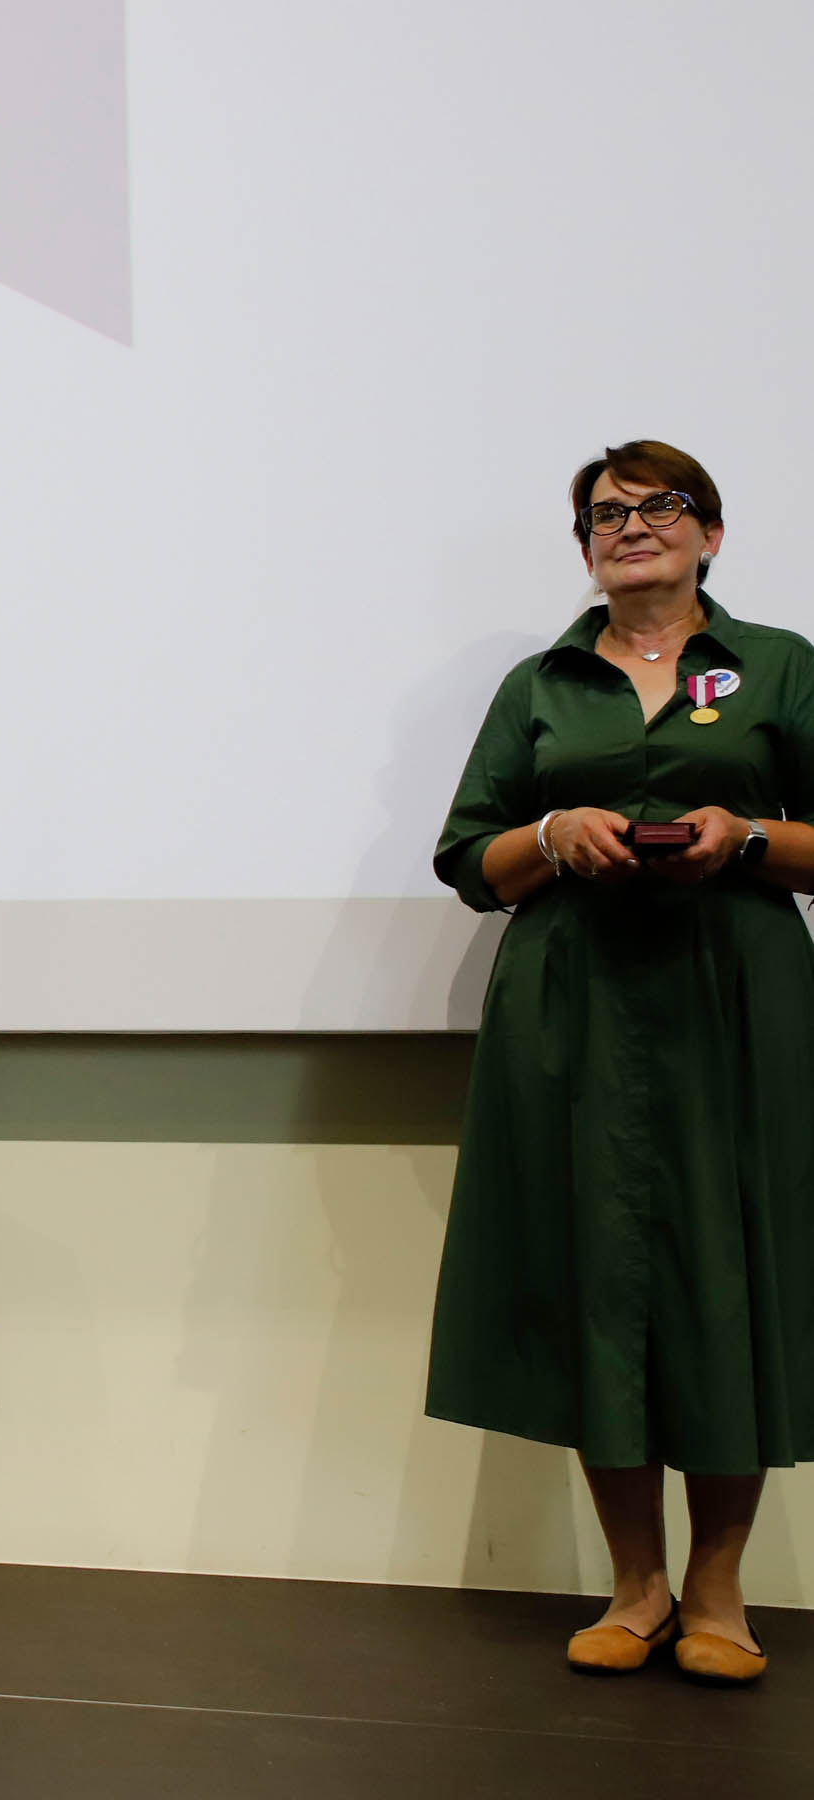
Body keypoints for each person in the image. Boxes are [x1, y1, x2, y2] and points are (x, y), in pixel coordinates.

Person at [429, 439, 814, 1686]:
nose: (630, 525)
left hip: (733, 999)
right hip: (575, 1004)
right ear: (585, 545)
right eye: (605, 513)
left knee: (728, 1275)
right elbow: (469, 856)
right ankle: (637, 1586)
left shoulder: (780, 666)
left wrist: (746, 836)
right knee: (600, 1273)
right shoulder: (539, 682)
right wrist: (551, 831)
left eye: (660, 507)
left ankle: (719, 1589)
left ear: (711, 534)